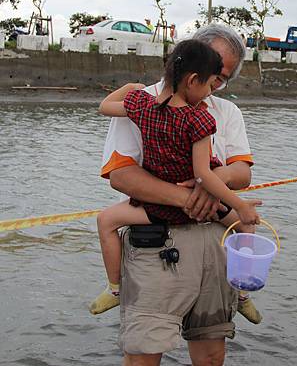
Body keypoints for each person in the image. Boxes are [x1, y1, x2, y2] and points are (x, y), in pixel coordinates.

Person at [100, 24, 262, 365]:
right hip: (158, 243)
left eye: (222, 78)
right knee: (144, 351)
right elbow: (121, 176)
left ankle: (242, 292)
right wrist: (190, 197)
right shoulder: (143, 102)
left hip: (214, 246)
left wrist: (214, 180)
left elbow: (241, 173)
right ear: (189, 71)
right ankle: (115, 288)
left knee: (212, 352)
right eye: (211, 74)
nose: (214, 85)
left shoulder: (225, 112)